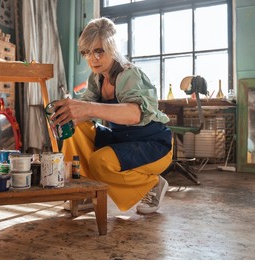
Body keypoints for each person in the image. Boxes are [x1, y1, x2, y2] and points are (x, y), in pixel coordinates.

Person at [51, 17, 173, 214]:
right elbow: (82, 112)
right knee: (75, 127)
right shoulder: (96, 78)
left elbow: (134, 114)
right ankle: (84, 191)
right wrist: (62, 116)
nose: (92, 58)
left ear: (113, 47)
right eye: (87, 52)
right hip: (121, 141)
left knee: (101, 161)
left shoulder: (129, 74)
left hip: (154, 145)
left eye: (99, 51)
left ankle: (152, 184)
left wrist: (87, 108)